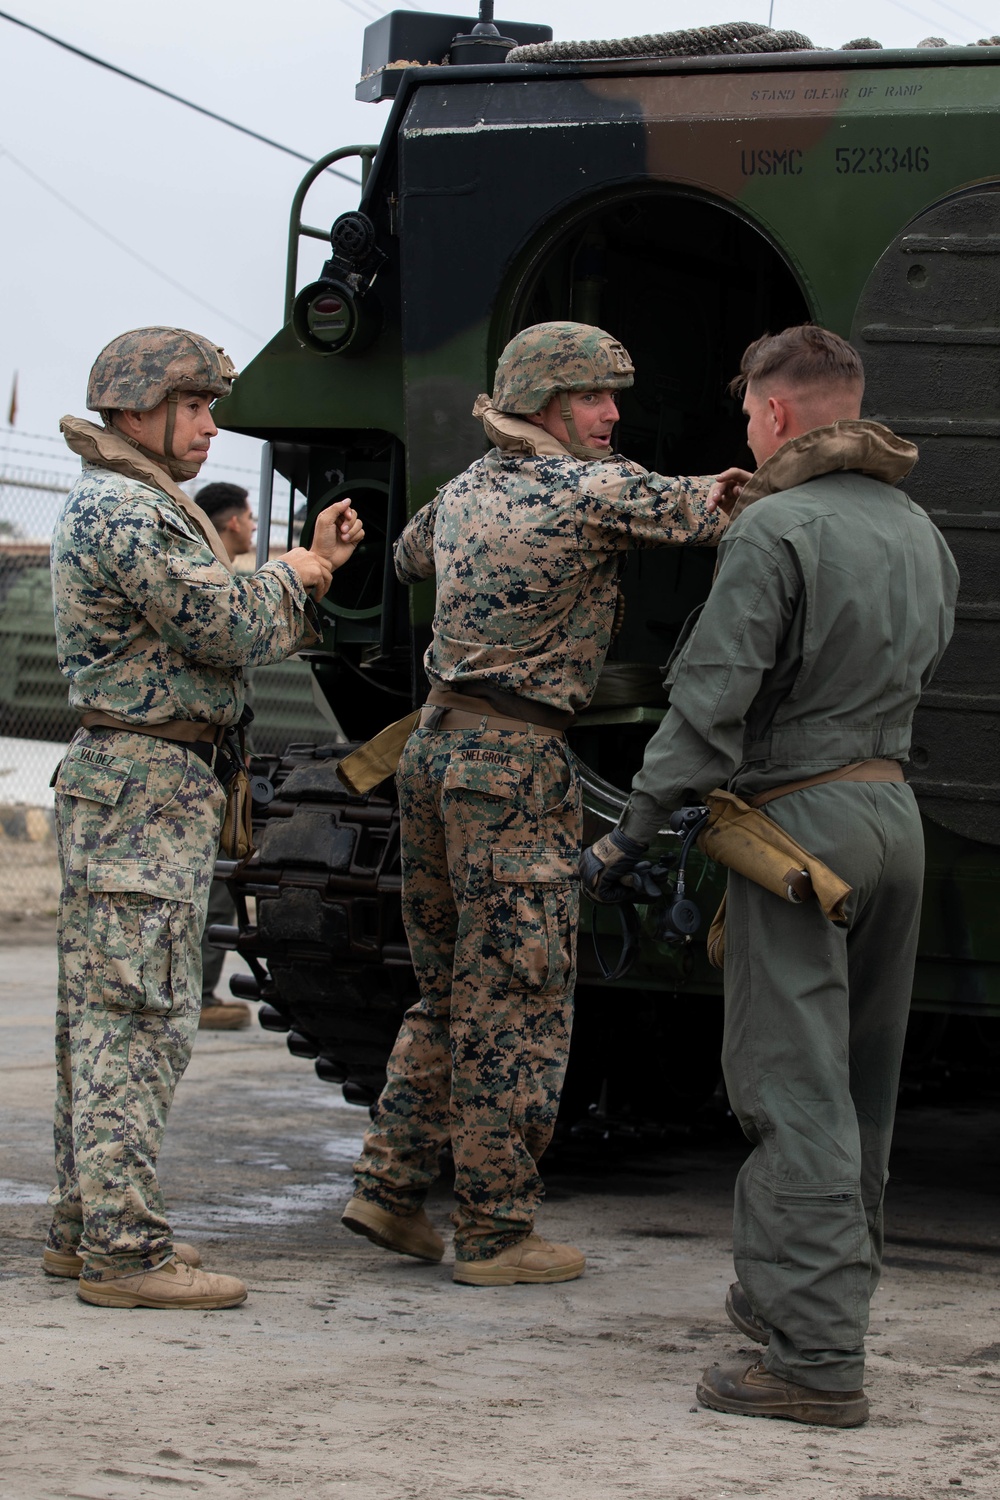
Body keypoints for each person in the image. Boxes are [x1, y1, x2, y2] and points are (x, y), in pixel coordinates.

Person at [582, 325, 958, 1424]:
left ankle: (810, 1362)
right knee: (859, 1094)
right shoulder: (919, 529)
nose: (745, 429)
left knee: (790, 1090)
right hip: (892, 817)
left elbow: (709, 701)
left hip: (797, 834)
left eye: (749, 412)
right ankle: (805, 1300)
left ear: (779, 415)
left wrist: (626, 830)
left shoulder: (776, 528)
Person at [342, 321, 728, 1286]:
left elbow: (407, 558)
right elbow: (716, 509)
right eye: (597, 398)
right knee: (520, 996)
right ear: (552, 404)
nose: (612, 416)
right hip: (513, 765)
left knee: (445, 989)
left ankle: (390, 1193)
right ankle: (494, 1232)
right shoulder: (591, 491)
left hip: (432, 754)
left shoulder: (467, 492)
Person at [45, 326, 363, 1310]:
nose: (209, 426)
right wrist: (300, 574)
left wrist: (287, 575)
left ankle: (88, 1227)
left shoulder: (147, 504)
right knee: (135, 1021)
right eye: (195, 406)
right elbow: (221, 624)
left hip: (159, 784)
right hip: (143, 785)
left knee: (112, 1017)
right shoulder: (125, 511)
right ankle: (123, 1253)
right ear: (139, 406)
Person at [193, 482, 257, 1030]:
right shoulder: (217, 585)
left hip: (214, 760)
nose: (254, 526)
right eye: (250, 517)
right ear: (232, 522)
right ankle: (200, 996)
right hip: (205, 764)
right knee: (212, 885)